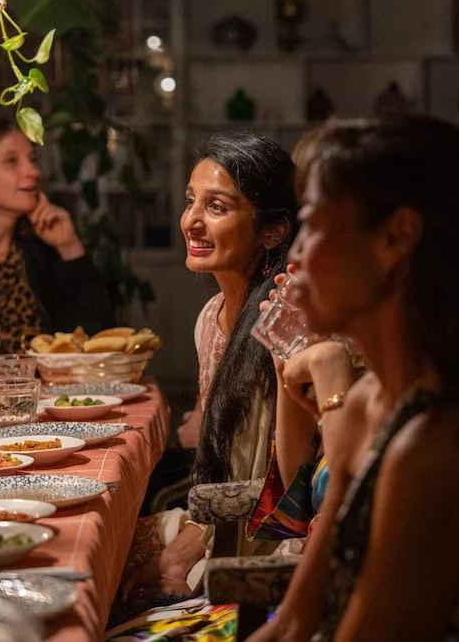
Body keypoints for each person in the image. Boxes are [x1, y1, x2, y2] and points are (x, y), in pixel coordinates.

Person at [248, 114, 459, 642]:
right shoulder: (367, 401)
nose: (295, 254)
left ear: (396, 237)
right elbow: (297, 622)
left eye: (314, 224)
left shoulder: (441, 448)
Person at [119, 132, 298, 603]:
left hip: (275, 547)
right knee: (110, 539)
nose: (191, 222)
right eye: (190, 201)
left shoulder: (287, 321)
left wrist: (190, 551)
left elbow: (301, 483)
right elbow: (218, 463)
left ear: (273, 230)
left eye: (216, 207)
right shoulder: (210, 319)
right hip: (221, 520)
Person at [0, 114, 113, 368]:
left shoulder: (38, 256)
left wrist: (70, 248)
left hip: (34, 404)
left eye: (32, 159)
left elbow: (94, 345)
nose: (33, 172)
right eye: (12, 161)